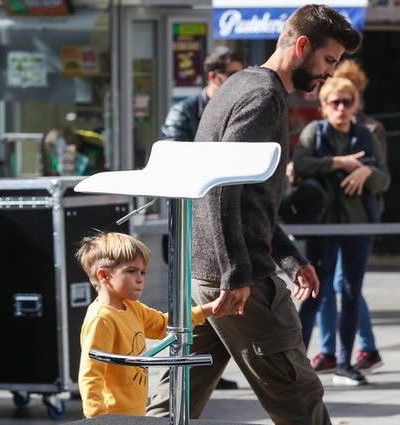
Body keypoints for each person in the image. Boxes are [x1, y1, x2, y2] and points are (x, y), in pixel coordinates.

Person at [147, 5, 362, 424]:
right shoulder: (263, 96)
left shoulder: (240, 84)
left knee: (173, 401)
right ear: (302, 46)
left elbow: (251, 200)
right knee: (298, 395)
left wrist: (291, 258)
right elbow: (221, 186)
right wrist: (236, 272)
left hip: (204, 276)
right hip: (232, 281)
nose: (329, 74)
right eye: (328, 60)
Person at [295, 77, 390, 386]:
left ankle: (345, 364)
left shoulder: (366, 135)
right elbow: (300, 164)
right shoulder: (314, 133)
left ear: (355, 106)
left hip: (357, 225)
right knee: (313, 293)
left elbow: (385, 179)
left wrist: (367, 171)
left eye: (346, 102)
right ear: (323, 107)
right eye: (334, 102)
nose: (340, 108)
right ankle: (295, 365)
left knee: (350, 292)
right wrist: (339, 162)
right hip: (320, 225)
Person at [159, 45, 245, 391]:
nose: (238, 85)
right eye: (233, 77)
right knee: (185, 296)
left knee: (208, 302)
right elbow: (177, 158)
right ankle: (178, 369)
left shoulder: (234, 110)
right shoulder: (184, 112)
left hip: (220, 215)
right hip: (190, 216)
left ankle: (207, 370)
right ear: (214, 77)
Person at [75, 232, 220, 418]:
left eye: (142, 272)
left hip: (136, 411)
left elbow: (162, 325)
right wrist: (98, 419)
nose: (140, 278)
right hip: (113, 416)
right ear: (104, 276)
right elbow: (91, 375)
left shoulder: (132, 307)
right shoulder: (101, 319)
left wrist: (206, 310)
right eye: (131, 271)